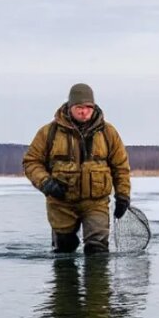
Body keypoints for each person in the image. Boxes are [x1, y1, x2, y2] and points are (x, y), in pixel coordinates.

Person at [22, 83, 131, 254]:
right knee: (64, 248)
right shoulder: (48, 132)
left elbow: (121, 167)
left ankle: (96, 279)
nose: (84, 112)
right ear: (70, 106)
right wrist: (46, 183)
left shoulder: (108, 133)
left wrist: (123, 195)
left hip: (96, 203)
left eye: (88, 107)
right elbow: (31, 162)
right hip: (61, 202)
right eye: (79, 107)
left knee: (97, 249)